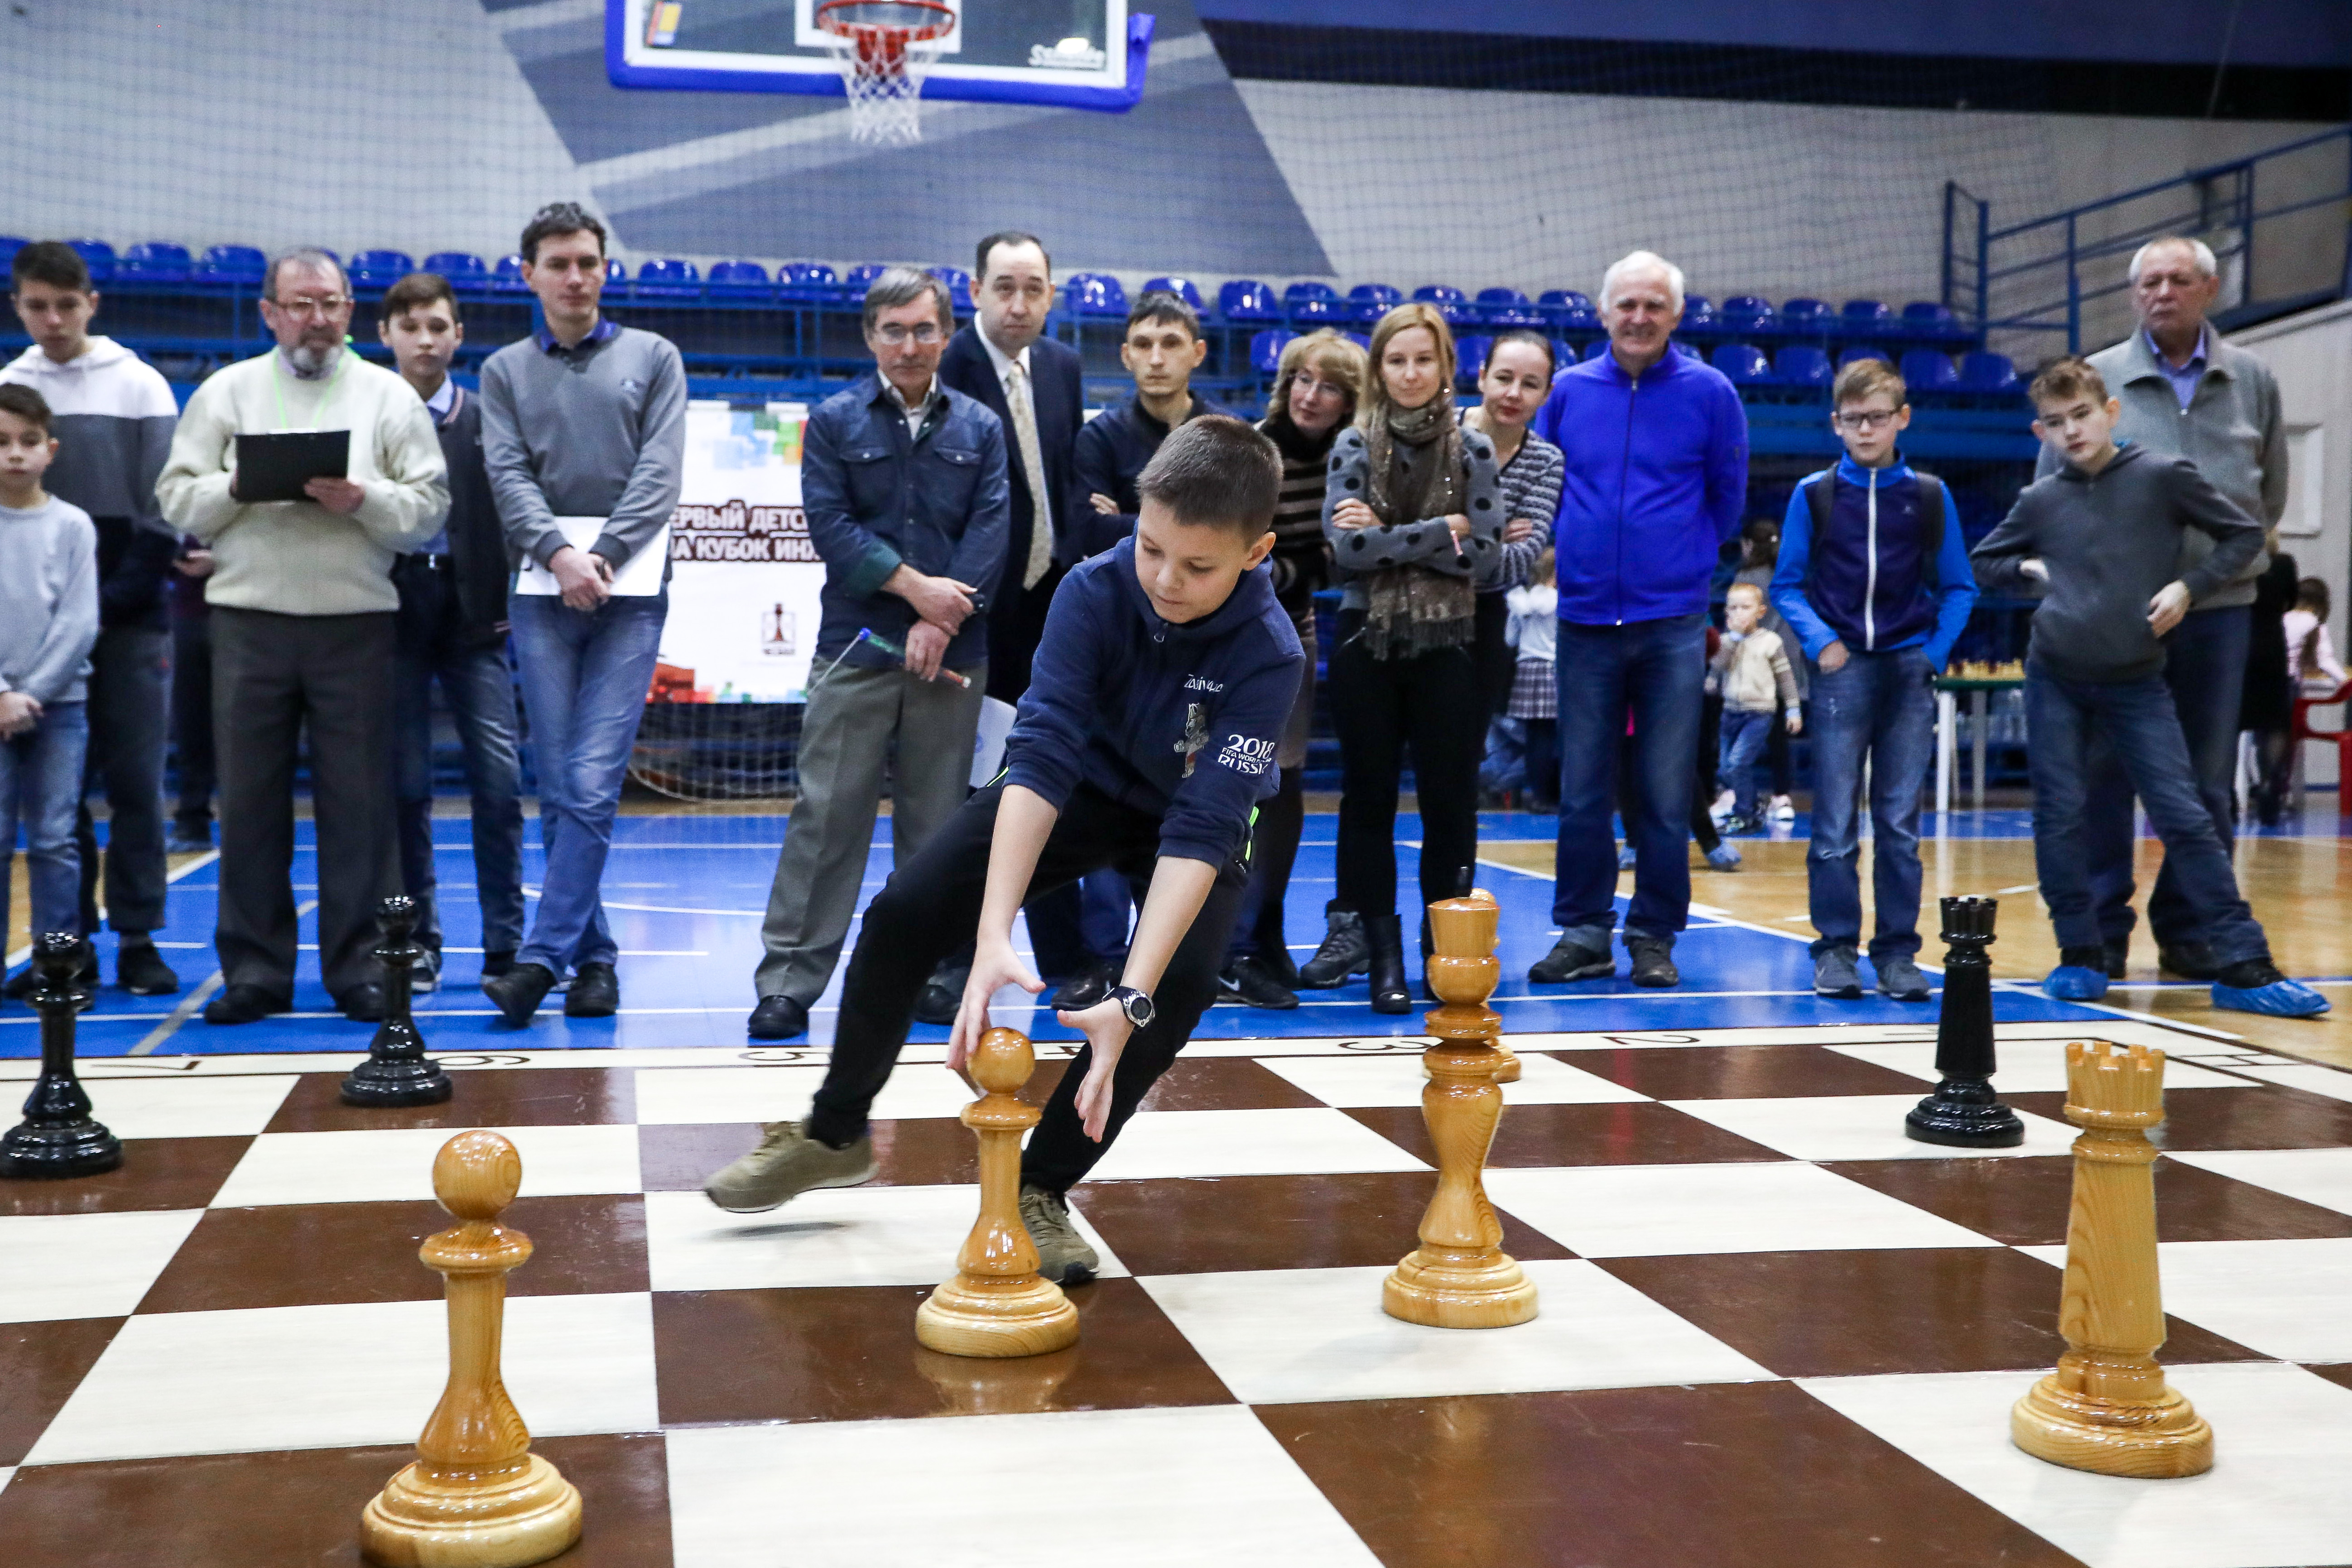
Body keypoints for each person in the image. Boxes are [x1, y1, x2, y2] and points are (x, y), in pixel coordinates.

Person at [701, 417, 1300, 1287]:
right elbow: (1042, 756)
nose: (1166, 579)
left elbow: (1205, 827)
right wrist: (988, 934)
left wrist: (1128, 994)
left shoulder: (1270, 653)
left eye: (1198, 566)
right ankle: (833, 1133)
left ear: (1255, 553)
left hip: (1187, 812)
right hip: (1082, 784)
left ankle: (1041, 1187)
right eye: (1152, 547)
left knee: (1172, 991)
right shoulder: (1092, 590)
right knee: (906, 912)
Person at [1972, 356, 2324, 1018]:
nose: (2071, 431)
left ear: (2110, 412)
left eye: (2081, 415)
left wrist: (2189, 587)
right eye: (2055, 422)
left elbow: (2246, 533)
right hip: (2056, 678)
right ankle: (2079, 952)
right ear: (2039, 432)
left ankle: (2242, 961)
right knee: (2061, 814)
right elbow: (1983, 561)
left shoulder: (2163, 477)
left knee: (2186, 812)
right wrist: (2027, 567)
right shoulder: (2039, 499)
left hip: (2137, 680)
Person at [157, 248, 447, 1023]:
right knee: (248, 802)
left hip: (356, 623)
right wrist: (240, 485)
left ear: (350, 311)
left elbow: (430, 508)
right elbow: (179, 500)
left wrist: (365, 500)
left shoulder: (389, 398)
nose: (316, 319)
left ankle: (358, 969)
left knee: (360, 807)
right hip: (248, 622)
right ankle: (255, 972)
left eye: (330, 303)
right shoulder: (227, 392)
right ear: (270, 312)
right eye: (300, 304)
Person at [744, 267, 1008, 1041]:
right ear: (869, 337)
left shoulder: (981, 430)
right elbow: (831, 527)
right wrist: (917, 593)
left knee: (937, 825)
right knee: (826, 816)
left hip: (954, 651)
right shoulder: (830, 422)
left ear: (947, 334)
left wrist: (941, 616)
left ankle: (931, 972)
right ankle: (788, 981)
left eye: (924, 329)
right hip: (854, 647)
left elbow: (991, 535)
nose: (909, 345)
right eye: (892, 330)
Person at [2044, 237, 2285, 981]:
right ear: (2133, 293)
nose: (2162, 292)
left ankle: (2188, 934)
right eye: (2149, 281)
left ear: (2207, 289)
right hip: (2119, 619)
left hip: (2217, 610)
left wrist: (2209, 575)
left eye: (2179, 279)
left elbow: (2266, 494)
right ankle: (2100, 935)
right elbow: (2052, 492)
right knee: (2105, 778)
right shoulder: (2098, 376)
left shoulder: (2252, 379)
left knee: (2205, 781)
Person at [478, 203, 687, 1026]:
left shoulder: (654, 357)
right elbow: (507, 473)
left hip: (629, 599)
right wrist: (558, 555)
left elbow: (659, 470)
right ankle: (593, 959)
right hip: (540, 595)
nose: (575, 277)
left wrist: (603, 554)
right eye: (558, 263)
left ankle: (538, 961)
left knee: (592, 780)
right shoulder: (501, 372)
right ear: (528, 273)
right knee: (563, 788)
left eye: (588, 262)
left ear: (604, 270)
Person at [1529, 251, 1748, 989]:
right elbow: (1546, 482)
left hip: (1671, 626)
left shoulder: (1711, 393)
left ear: (1675, 316)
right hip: (1585, 621)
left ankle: (1652, 933)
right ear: (1603, 313)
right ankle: (1583, 932)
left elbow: (1725, 498)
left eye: (1653, 305)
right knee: (1582, 789)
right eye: (1626, 304)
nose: (1638, 317)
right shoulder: (1564, 392)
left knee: (1662, 792)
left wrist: (1679, 565)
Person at [916, 231, 1088, 1023]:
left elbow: (1062, 480)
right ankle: (950, 958)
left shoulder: (1060, 366)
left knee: (1048, 778)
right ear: (975, 291)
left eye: (1033, 288)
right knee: (969, 788)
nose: (1018, 303)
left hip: (1051, 610)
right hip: (972, 612)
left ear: (1051, 294)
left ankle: (1066, 957)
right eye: (1003, 287)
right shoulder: (942, 370)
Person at [1311, 302, 1502, 1015]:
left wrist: (1392, 531)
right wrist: (1438, 530)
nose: (1411, 373)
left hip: (1451, 647)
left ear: (1446, 367)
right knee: (1369, 802)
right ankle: (1383, 956)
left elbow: (1482, 556)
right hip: (1369, 643)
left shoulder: (1474, 448)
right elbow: (1347, 552)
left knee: (1451, 805)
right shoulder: (1354, 444)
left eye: (1424, 359)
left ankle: (1442, 952)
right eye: (1397, 360)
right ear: (1378, 369)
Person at [2, 241, 181, 998]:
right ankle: (64, 943)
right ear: (19, 305)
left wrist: (102, 609)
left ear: (92, 304)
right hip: (38, 634)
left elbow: (163, 510)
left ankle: (139, 938)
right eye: (37, 306)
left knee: (137, 783)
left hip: (132, 618)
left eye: (65, 306)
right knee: (58, 799)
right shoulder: (11, 386)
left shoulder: (140, 384)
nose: (52, 320)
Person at [1770, 357, 1978, 1000]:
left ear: (1902, 419)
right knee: (1833, 820)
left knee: (1898, 823)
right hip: (1841, 671)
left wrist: (1932, 652)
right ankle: (1834, 948)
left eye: (1878, 417)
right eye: (1853, 419)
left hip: (1906, 668)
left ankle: (1897, 954)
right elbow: (1786, 584)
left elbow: (1959, 586)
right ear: (1836, 423)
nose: (1866, 429)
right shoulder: (1814, 494)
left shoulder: (1928, 495)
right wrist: (1821, 640)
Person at [1058, 289, 1231, 1007]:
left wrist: (1126, 520)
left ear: (1197, 352)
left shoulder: (1223, 436)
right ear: (1125, 356)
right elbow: (1086, 539)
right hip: (1120, 650)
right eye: (1143, 344)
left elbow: (1228, 540)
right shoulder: (1098, 439)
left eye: (1171, 342)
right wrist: (1178, 535)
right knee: (1102, 792)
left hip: (1201, 655)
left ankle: (1173, 955)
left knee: (1188, 797)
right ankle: (1100, 959)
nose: (1156, 356)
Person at [377, 273, 526, 991]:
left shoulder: (482, 416)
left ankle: (505, 941)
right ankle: (419, 939)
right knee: (406, 787)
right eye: (411, 328)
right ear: (387, 336)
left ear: (458, 335)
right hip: (393, 609)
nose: (426, 340)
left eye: (439, 326)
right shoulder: (368, 413)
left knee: (498, 783)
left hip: (473, 614)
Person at [1222, 328, 1363, 1009]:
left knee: (1285, 783)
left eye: (1330, 385)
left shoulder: (1351, 456)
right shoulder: (1257, 449)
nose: (1312, 395)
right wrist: (1301, 565)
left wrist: (1306, 567)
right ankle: (1228, 941)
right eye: (1303, 379)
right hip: (1238, 629)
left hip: (1298, 627)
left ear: (1348, 400)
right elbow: (1233, 547)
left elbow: (1348, 553)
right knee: (1235, 781)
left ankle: (1263, 931)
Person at [0, 385, 99, 1006]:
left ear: (51, 449)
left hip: (59, 707)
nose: (14, 455)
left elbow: (79, 623)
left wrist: (28, 694)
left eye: (27, 442)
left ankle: (57, 962)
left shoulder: (72, 526)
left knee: (55, 836)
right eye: (1, 443)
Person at [1466, 332, 1566, 724]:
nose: (1513, 393)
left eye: (1530, 384)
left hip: (1483, 624)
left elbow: (1518, 563)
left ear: (1547, 393)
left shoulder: (1545, 461)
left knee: (1461, 759)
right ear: (1481, 378)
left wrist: (1460, 534)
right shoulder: (1439, 432)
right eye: (1503, 378)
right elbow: (1406, 526)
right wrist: (1494, 536)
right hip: (1410, 609)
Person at [1710, 582, 1800, 833]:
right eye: (1733, 608)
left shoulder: (1771, 642)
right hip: (1730, 712)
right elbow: (1717, 667)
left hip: (1759, 713)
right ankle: (1752, 804)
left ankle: (1745, 813)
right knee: (1727, 766)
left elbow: (1786, 679)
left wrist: (1793, 709)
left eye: (1745, 608)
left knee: (1739, 762)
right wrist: (1732, 641)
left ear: (1761, 612)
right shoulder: (1727, 640)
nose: (1738, 613)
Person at [1731, 519, 1800, 823]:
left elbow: (1740, 626)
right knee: (1778, 736)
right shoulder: (1787, 576)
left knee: (1736, 729)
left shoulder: (1746, 580)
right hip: (1788, 663)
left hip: (1756, 668)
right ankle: (1782, 797)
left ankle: (1733, 794)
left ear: (1747, 545)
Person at [2239, 541, 2296, 827]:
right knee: (2275, 723)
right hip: (2273, 645)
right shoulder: (2283, 564)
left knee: (2230, 723)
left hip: (2237, 642)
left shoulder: (2236, 559)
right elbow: (2293, 601)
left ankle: (2224, 793)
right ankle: (2270, 784)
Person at [166, 536, 216, 851]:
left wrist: (222, 560)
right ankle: (192, 820)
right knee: (191, 725)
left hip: (248, 615)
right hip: (187, 615)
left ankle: (256, 828)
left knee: (252, 729)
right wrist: (170, 555)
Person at [1504, 543, 1558, 813]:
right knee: (1551, 739)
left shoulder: (1522, 600)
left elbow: (1510, 638)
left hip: (1528, 667)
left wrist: (1516, 601)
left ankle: (1540, 795)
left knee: (1537, 739)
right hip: (1552, 668)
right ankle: (1548, 796)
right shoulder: (1554, 598)